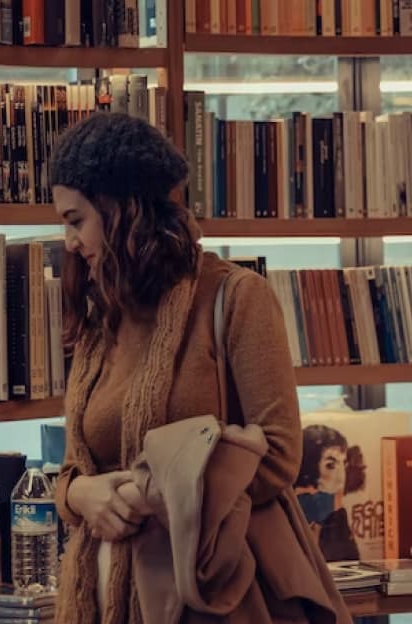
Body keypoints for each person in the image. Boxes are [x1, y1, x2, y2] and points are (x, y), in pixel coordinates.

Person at [50, 112, 352, 623]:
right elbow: (75, 469)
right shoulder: (103, 315)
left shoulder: (235, 297)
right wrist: (80, 495)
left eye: (76, 219)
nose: (70, 242)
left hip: (211, 597)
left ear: (122, 208)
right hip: (101, 601)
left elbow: (278, 456)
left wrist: (142, 495)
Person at [295, 424, 365, 561]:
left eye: (343, 464)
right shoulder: (297, 508)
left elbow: (349, 561)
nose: (341, 477)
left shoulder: (336, 513)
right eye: (330, 465)